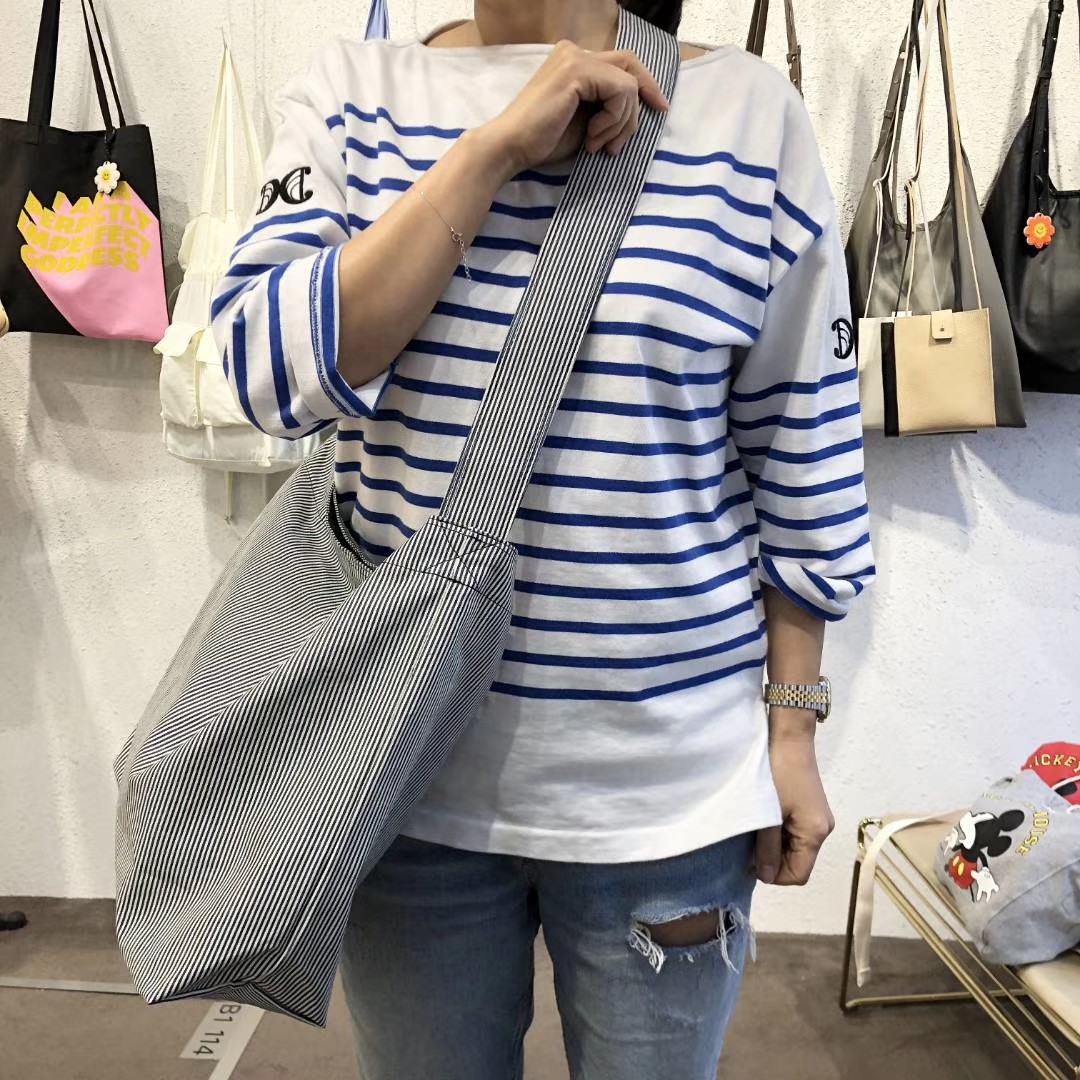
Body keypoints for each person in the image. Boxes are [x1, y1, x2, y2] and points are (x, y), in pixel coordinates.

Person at [212, 1, 874, 1076]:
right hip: (399, 777)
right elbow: (262, 374)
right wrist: (489, 154)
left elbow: (803, 445)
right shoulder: (354, 93)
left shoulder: (749, 115)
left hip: (668, 795)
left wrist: (792, 730)